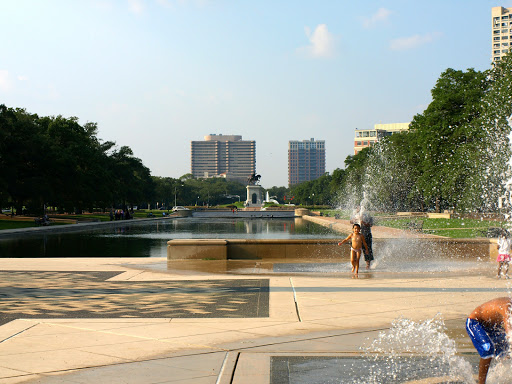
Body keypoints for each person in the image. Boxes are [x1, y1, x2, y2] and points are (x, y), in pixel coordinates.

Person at [466, 297, 512, 384]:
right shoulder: (507, 308)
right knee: (488, 349)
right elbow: (509, 333)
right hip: (475, 323)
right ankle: (481, 383)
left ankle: (503, 377)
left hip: (492, 327)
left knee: (505, 351)